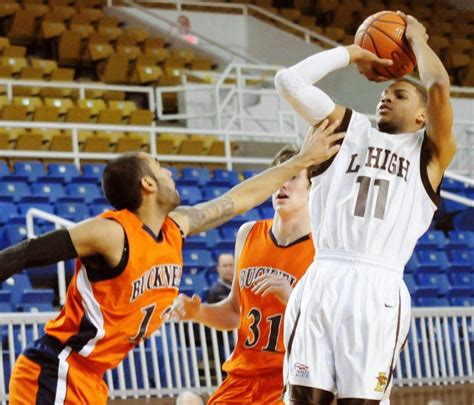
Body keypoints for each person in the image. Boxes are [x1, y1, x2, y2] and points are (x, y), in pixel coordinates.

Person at [0, 120, 344, 405]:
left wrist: (302, 161)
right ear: (147, 184)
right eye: (159, 168)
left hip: (91, 379)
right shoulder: (111, 232)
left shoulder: (174, 227)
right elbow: (26, 253)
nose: (168, 171)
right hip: (56, 367)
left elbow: (236, 200)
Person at [274, 12, 456, 404]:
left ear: (422, 115)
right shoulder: (347, 127)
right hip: (324, 274)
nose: (386, 96)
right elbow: (289, 82)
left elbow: (438, 84)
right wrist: (352, 52)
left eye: (400, 94)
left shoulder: (428, 154)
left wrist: (417, 39)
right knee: (304, 398)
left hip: (380, 286)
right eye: (384, 93)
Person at [166, 146, 317, 404]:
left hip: (290, 379)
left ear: (312, 187)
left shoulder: (322, 247)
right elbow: (235, 312)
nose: (282, 183)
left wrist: (291, 298)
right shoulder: (248, 234)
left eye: (292, 176)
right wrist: (198, 312)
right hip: (241, 376)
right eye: (278, 175)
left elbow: (325, 330)